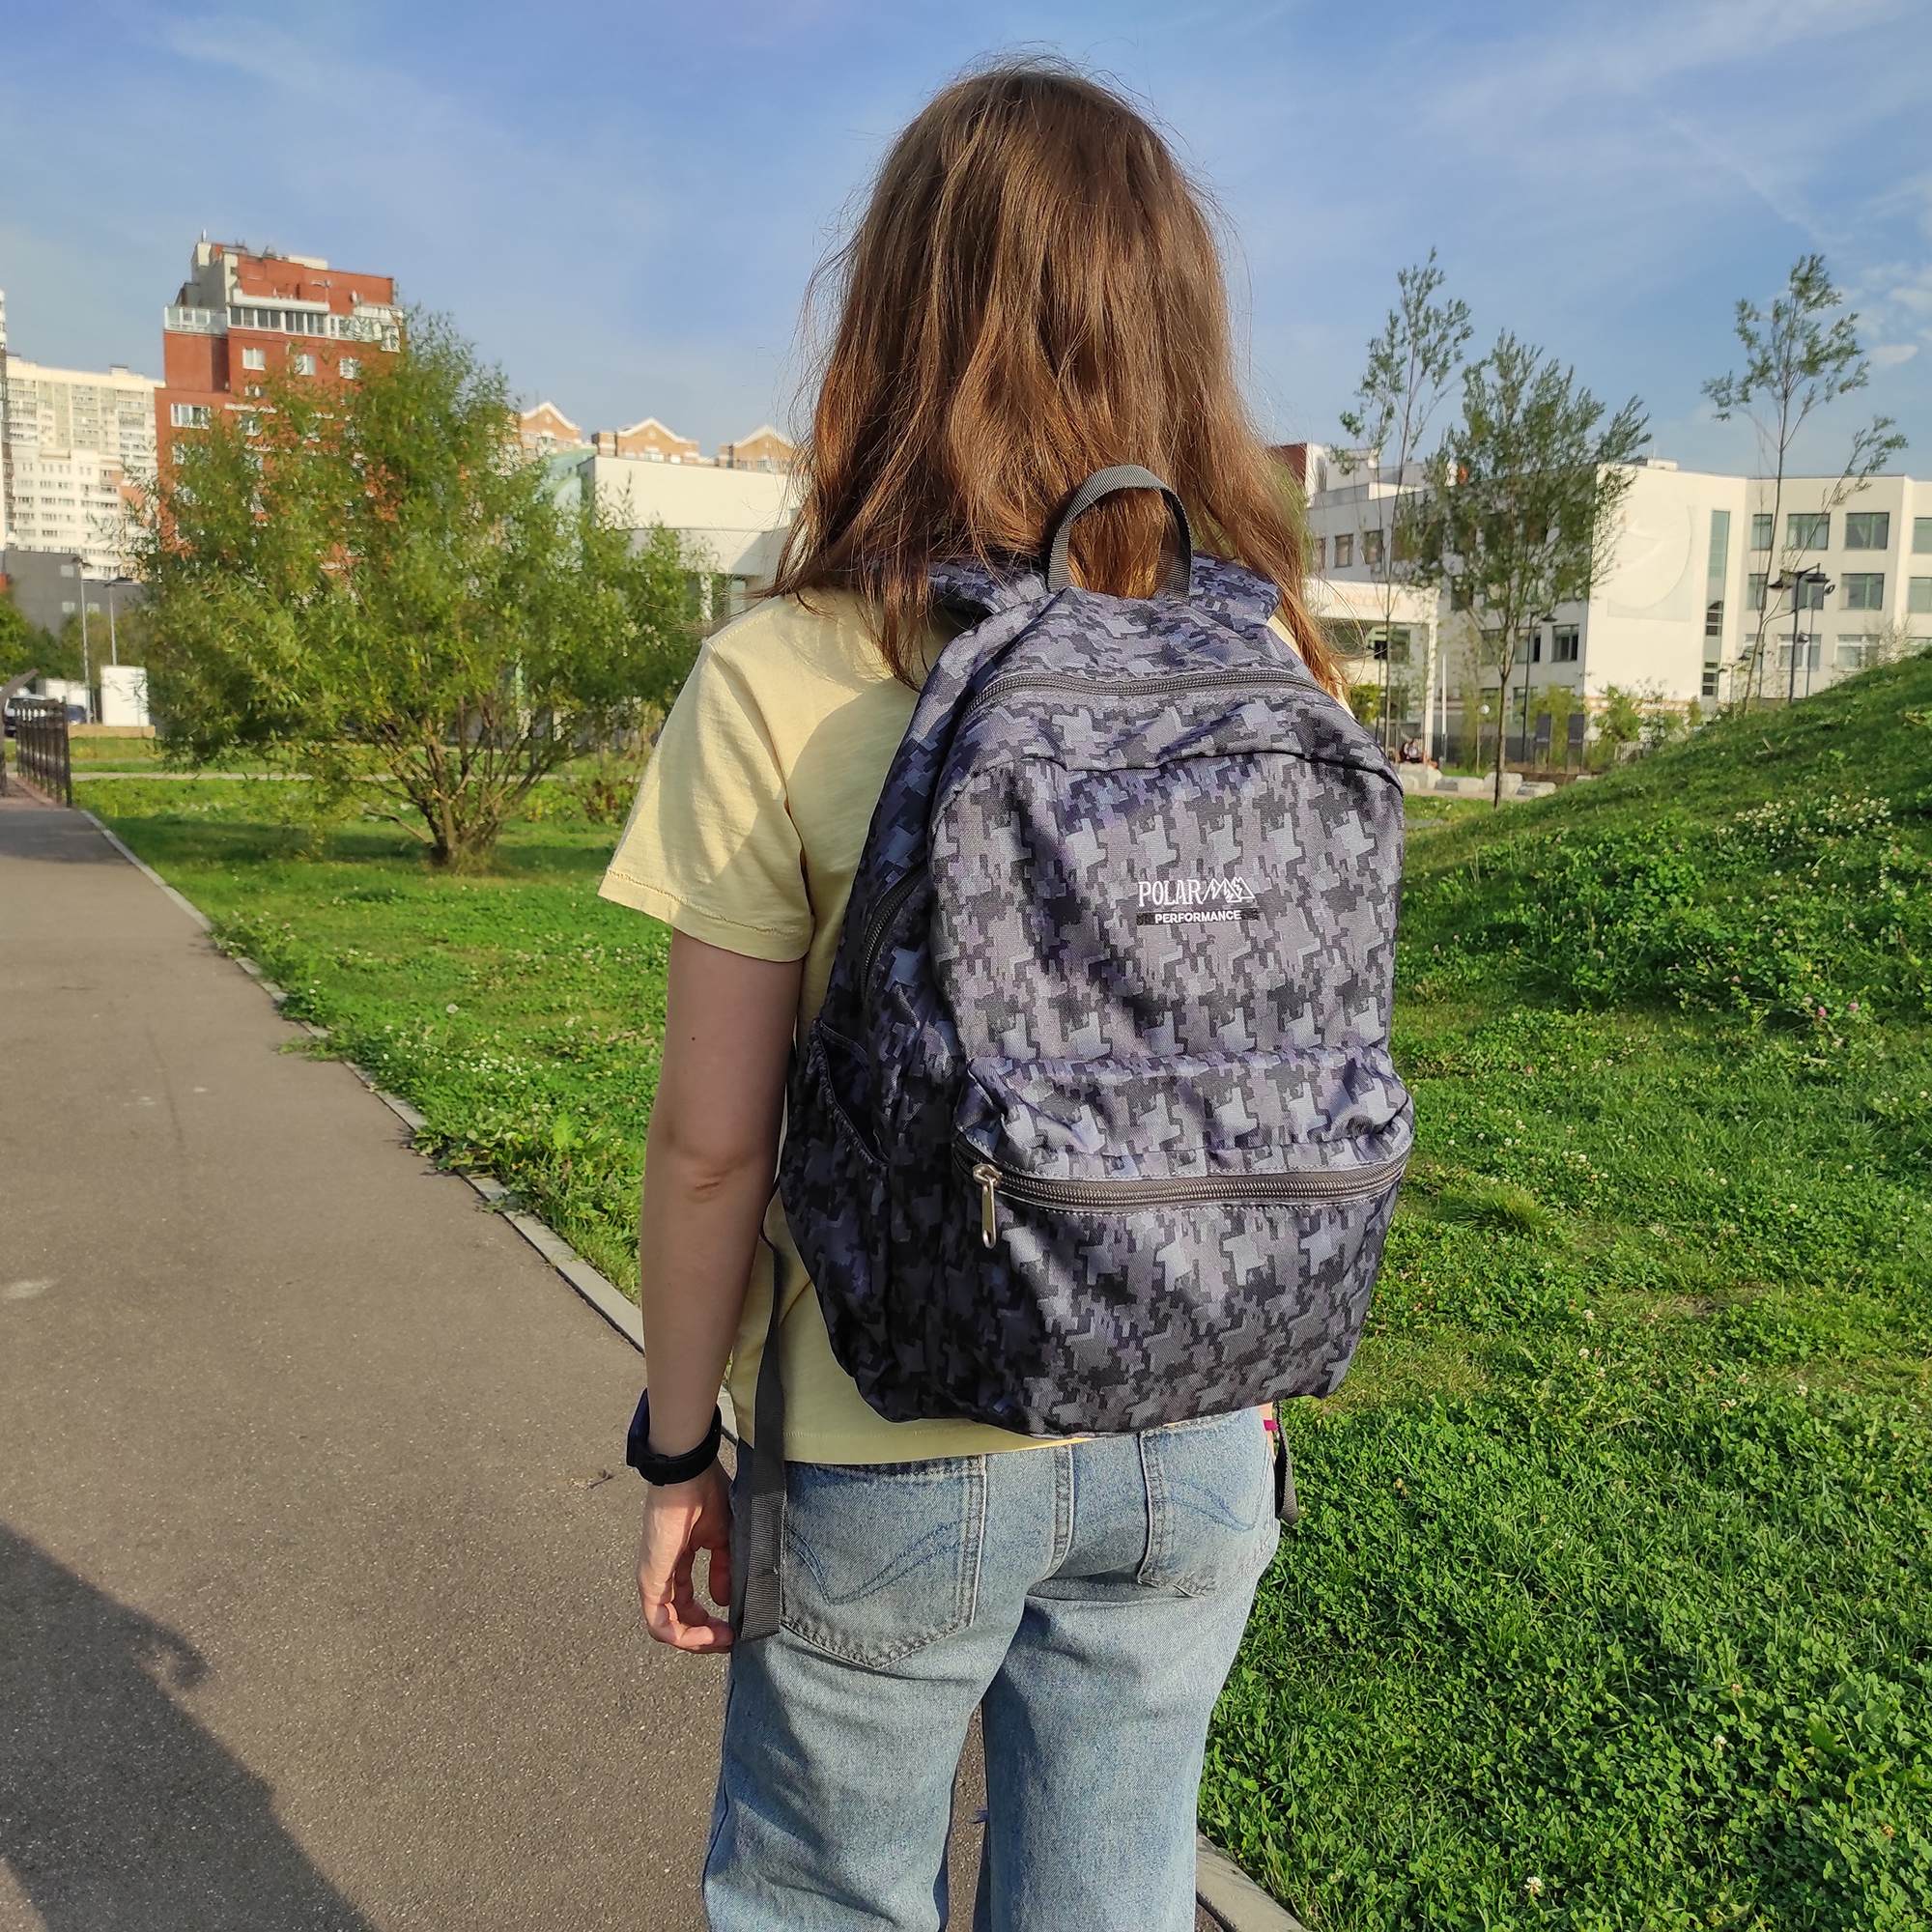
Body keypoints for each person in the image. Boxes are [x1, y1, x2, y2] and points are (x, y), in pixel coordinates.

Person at [600, 61, 1350, 1932]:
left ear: (893, 321)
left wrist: (679, 1444)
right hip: (1199, 1424)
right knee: (1109, 1898)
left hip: (891, 1428)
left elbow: (713, 1147)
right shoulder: (1271, 658)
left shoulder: (787, 668)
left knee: (824, 1897)